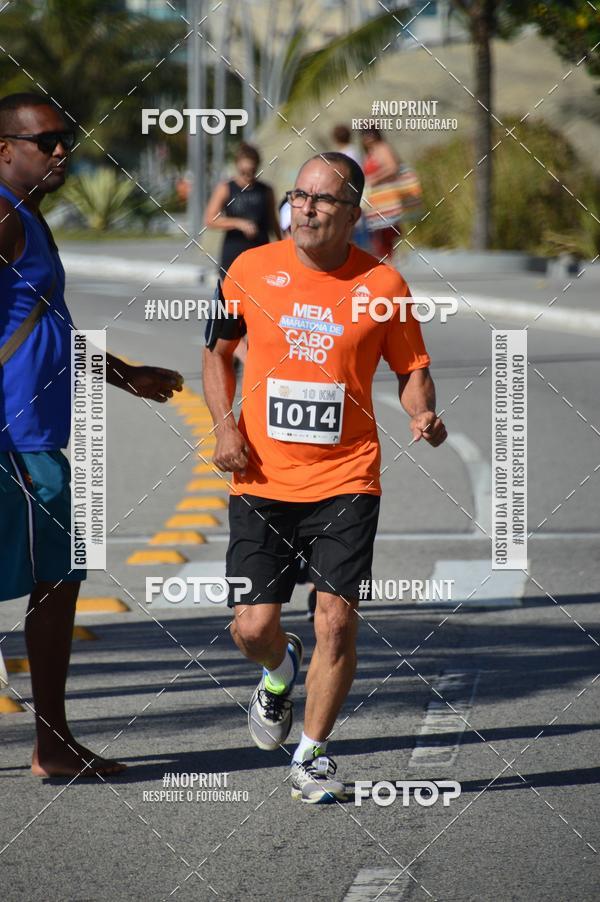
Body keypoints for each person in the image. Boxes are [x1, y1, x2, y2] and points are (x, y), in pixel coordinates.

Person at [203, 152, 447, 803]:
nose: (307, 208)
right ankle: (280, 674)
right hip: (260, 478)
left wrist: (422, 411)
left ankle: (312, 754)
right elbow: (217, 356)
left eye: (323, 200)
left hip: (347, 478)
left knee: (336, 619)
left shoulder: (384, 285)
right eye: (300, 196)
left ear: (352, 212)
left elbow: (411, 367)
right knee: (252, 628)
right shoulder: (250, 269)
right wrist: (226, 428)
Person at [0, 92, 184, 778]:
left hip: (32, 440)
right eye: (43, 140)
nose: (59, 152)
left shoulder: (27, 220)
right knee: (55, 580)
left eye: (63, 140)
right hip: (11, 444)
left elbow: (47, 324)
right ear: (4, 149)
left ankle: (53, 744)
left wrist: (124, 374)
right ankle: (51, 746)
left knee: (60, 578)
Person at [361, 127, 403, 262]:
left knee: (386, 234)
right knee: (378, 236)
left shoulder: (382, 148)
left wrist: (375, 178)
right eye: (365, 134)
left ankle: (391, 265)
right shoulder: (370, 152)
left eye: (370, 133)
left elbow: (393, 168)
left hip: (386, 201)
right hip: (377, 203)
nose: (368, 137)